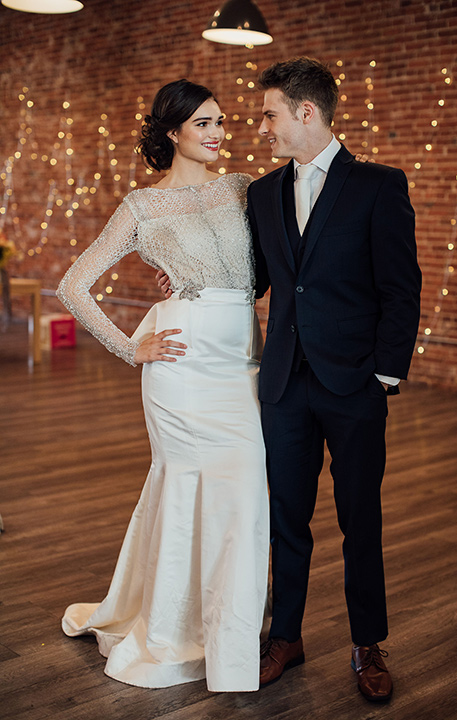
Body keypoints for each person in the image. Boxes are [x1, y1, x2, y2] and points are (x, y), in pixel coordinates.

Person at [57, 79, 269, 693]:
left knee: (245, 496)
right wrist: (130, 348)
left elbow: (269, 265)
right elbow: (75, 284)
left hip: (241, 362)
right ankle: (174, 631)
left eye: (222, 122)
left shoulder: (241, 189)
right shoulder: (141, 207)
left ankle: (231, 633)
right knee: (182, 488)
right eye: (204, 124)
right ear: (173, 132)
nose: (218, 134)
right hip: (178, 365)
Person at [246, 57, 422, 700]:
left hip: (354, 386)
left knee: (360, 519)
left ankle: (367, 644)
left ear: (306, 112)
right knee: (286, 517)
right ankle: (285, 638)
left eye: (268, 113)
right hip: (285, 384)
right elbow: (262, 278)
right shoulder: (262, 192)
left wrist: (383, 376)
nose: (260, 124)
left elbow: (402, 290)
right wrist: (188, 278)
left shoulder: (379, 185)